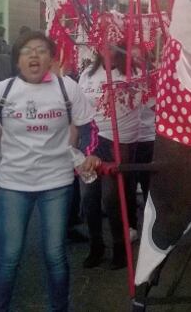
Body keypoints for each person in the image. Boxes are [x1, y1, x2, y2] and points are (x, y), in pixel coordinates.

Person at [0, 32, 100, 312]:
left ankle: (59, 308)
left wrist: (91, 152)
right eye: (27, 51)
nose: (34, 56)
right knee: (8, 256)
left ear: (51, 58)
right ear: (17, 59)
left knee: (55, 254)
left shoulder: (67, 87)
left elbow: (89, 125)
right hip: (13, 183)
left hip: (56, 182)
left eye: (41, 50)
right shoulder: (2, 91)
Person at [78, 47, 142, 269]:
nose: (108, 48)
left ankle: (120, 247)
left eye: (114, 42)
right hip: (91, 140)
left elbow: (135, 106)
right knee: (89, 197)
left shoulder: (133, 74)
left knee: (112, 198)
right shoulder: (86, 74)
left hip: (119, 141)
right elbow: (79, 108)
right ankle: (96, 246)